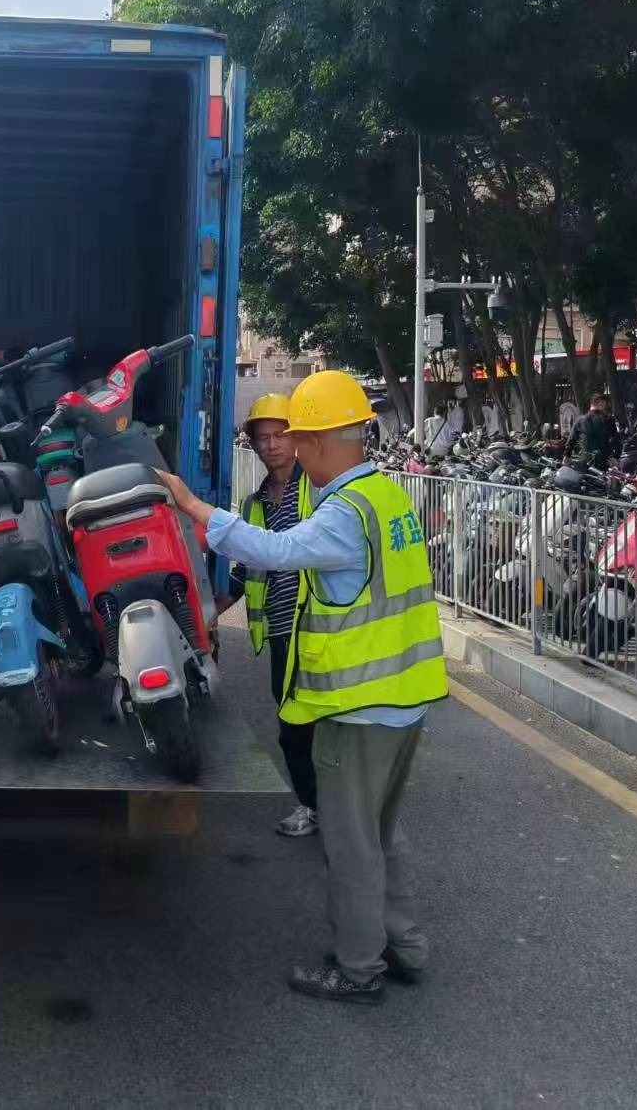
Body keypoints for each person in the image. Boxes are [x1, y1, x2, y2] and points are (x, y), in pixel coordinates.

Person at [160, 370, 449, 1006]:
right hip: (404, 702)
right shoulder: (385, 495)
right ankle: (403, 946)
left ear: (316, 442)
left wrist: (191, 506)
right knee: (383, 834)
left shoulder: (343, 512)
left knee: (351, 846)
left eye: (295, 438)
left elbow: (274, 549)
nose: (288, 449)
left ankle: (359, 969)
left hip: (359, 706)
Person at [218, 392, 316, 837]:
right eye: (263, 438)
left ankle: (344, 810)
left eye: (280, 435)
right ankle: (311, 805)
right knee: (292, 726)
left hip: (321, 629)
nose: (272, 445)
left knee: (330, 728)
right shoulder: (254, 504)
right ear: (253, 445)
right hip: (281, 633)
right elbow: (246, 570)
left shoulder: (317, 490)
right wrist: (212, 611)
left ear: (296, 438)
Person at [571, 392, 622, 469]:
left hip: (588, 460)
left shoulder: (580, 420)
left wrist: (567, 455)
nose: (602, 404)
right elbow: (616, 440)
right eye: (600, 403)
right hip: (601, 461)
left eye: (603, 403)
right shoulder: (608, 419)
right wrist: (616, 457)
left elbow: (572, 440)